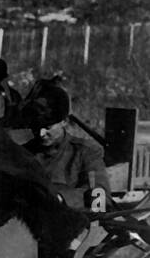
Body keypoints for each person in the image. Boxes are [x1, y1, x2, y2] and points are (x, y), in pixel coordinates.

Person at [23, 80, 111, 210]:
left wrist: (61, 198)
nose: (41, 134)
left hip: (71, 224)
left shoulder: (85, 153)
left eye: (47, 127)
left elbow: (100, 194)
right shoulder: (23, 153)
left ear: (64, 121)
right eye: (36, 127)